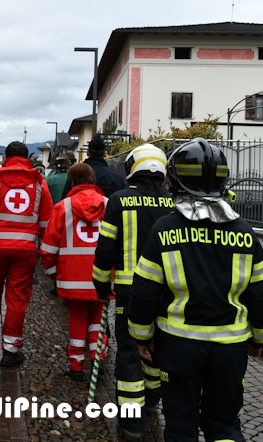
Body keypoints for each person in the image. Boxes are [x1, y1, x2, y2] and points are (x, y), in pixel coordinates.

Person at [127, 138, 263, 442]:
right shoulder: (245, 233)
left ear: (173, 181)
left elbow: (144, 292)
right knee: (224, 425)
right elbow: (261, 293)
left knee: (181, 425)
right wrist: (259, 339)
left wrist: (141, 337)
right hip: (230, 349)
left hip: (179, 346)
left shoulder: (165, 230)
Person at [93, 143, 173, 441]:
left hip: (129, 292)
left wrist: (101, 286)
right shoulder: (174, 204)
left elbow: (105, 249)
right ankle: (152, 400)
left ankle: (132, 420)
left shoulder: (118, 201)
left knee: (128, 352)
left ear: (131, 168)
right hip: (167, 294)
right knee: (157, 348)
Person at [0, 141, 54, 367]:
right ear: (27, 158)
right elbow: (46, 221)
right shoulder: (39, 183)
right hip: (24, 250)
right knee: (17, 298)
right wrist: (45, 248)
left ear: (7, 157)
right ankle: (11, 350)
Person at [39, 163, 107, 382]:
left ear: (72, 181)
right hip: (102, 276)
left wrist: (52, 273)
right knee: (98, 319)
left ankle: (76, 366)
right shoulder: (109, 205)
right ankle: (97, 362)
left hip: (72, 277)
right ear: (93, 180)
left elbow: (48, 248)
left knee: (77, 318)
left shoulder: (63, 207)